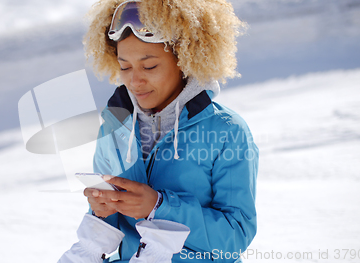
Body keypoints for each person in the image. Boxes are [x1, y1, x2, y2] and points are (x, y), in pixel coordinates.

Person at [59, 0, 258, 262]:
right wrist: (102, 211)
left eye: (149, 66)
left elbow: (235, 236)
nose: (134, 81)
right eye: (125, 66)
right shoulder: (115, 125)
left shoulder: (226, 131)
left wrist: (159, 207)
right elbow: (117, 228)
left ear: (185, 58)